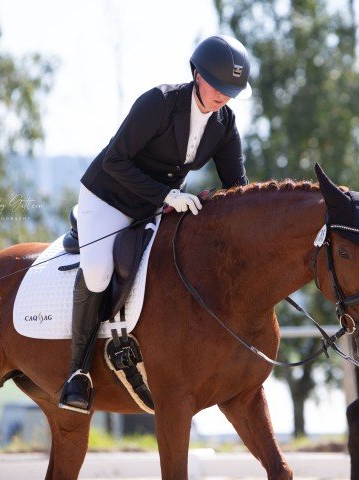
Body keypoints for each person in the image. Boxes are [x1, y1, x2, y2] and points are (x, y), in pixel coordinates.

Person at [59, 35, 252, 413]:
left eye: (231, 91)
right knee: (98, 272)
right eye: (219, 87)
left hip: (155, 207)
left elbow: (237, 188)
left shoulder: (224, 124)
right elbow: (115, 160)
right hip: (108, 197)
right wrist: (166, 195)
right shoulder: (159, 103)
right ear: (196, 75)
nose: (224, 97)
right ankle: (77, 373)